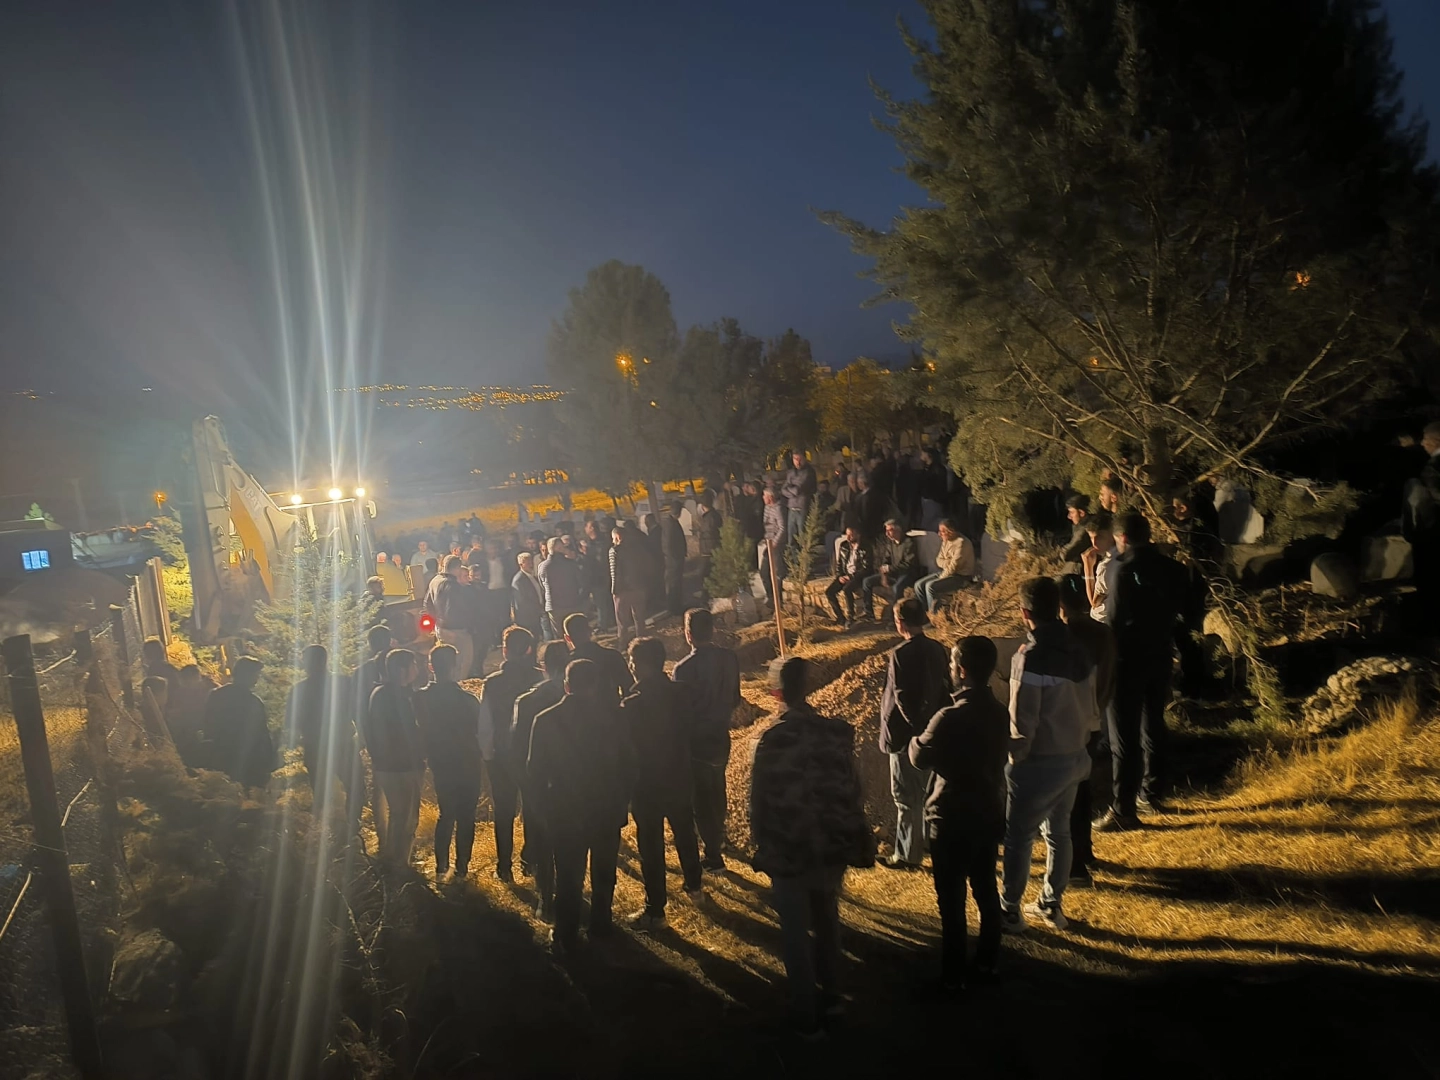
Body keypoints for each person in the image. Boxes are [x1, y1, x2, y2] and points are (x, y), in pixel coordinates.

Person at [750, 657, 872, 1039]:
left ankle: (805, 1016)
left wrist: (761, 843)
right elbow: (854, 789)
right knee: (827, 920)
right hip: (832, 843)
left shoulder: (772, 739)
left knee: (795, 932)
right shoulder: (837, 733)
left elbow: (759, 801)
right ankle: (833, 999)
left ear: (776, 693)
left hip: (789, 846)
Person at [909, 636, 1010, 990]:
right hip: (987, 811)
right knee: (986, 890)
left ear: (962, 670)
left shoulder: (947, 717)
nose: (950, 670)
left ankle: (953, 975)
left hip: (950, 817)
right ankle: (987, 963)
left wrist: (917, 735)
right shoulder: (1000, 712)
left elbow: (918, 757)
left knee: (951, 902)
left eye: (952, 665)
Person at [1001, 577, 1097, 932]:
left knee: (1019, 837)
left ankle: (1010, 910)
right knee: (1060, 833)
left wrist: (1015, 758)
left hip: (1040, 760)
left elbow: (1022, 719)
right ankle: (1051, 904)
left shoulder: (1029, 657)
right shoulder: (1079, 649)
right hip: (1075, 754)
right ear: (1057, 607)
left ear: (1025, 612)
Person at [527, 659, 635, 956]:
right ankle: (601, 925)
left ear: (566, 685)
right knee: (604, 870)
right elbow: (629, 764)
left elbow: (534, 772)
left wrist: (542, 811)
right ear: (596, 685)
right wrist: (622, 800)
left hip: (565, 809)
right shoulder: (615, 718)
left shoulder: (546, 719)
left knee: (568, 875)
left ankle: (566, 933)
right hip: (606, 807)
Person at [1096, 512, 1187, 831]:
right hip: (1160, 654)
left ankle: (1123, 809)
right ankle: (1152, 792)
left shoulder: (1121, 569)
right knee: (1153, 724)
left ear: (1122, 538)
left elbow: (1114, 621)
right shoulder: (1174, 569)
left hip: (1126, 660)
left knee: (1123, 737)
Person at [622, 637, 704, 929]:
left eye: (633, 661)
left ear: (642, 665)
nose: (631, 667)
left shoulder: (631, 705)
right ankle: (695, 885)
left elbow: (626, 748)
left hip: (647, 783)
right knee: (685, 832)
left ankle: (655, 909)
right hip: (680, 774)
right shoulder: (682, 693)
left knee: (651, 845)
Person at [878, 597, 951, 869]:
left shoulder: (900, 654)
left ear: (900, 622)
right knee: (927, 793)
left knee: (906, 797)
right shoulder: (937, 649)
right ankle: (928, 842)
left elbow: (902, 697)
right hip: (931, 734)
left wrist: (916, 730)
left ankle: (907, 854)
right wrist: (931, 729)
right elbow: (945, 689)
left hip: (904, 737)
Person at [672, 608, 742, 872]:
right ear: (712, 630)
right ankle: (719, 838)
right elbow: (735, 698)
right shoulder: (729, 658)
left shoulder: (683, 669)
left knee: (701, 800)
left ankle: (713, 855)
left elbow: (679, 711)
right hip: (721, 733)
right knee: (717, 789)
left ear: (688, 634)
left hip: (696, 740)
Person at [1058, 575, 1115, 885]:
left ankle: (1075, 862)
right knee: (1083, 784)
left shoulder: (1064, 636)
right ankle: (1085, 850)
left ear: (1060, 605)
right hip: (1095, 718)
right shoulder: (1103, 633)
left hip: (1069, 723)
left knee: (1069, 793)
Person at [479, 626, 544, 883]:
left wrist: (487, 754)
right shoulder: (539, 679)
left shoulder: (492, 683)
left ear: (505, 651)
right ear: (529, 649)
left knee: (504, 810)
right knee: (533, 808)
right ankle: (531, 860)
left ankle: (504, 865)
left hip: (502, 754)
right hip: (531, 753)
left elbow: (485, 724)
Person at [416, 644, 485, 880]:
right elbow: (480, 731)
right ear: (455, 666)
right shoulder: (468, 700)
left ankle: (440, 867)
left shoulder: (421, 698)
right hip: (468, 761)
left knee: (446, 814)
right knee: (467, 816)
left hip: (441, 762)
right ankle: (462, 868)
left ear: (431, 667)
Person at [512, 640, 569, 919]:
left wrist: (525, 781)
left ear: (543, 666)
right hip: (573, 781)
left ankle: (545, 899)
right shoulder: (582, 698)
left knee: (541, 839)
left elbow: (517, 747)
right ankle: (570, 895)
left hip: (539, 780)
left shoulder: (527, 701)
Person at [285, 644, 363, 833]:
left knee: (321, 794)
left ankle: (324, 832)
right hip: (342, 744)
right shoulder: (343, 683)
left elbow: (291, 723)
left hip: (316, 747)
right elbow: (357, 711)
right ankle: (352, 828)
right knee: (356, 788)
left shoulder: (299, 690)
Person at [361, 649, 426, 867]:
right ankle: (400, 864)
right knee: (406, 818)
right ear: (402, 670)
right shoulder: (401, 697)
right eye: (413, 664)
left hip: (385, 765)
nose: (417, 669)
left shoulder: (378, 693)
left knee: (397, 814)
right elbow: (410, 732)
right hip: (403, 766)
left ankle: (392, 858)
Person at [203, 656, 277, 791]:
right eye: (256, 675)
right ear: (248, 676)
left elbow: (207, 723)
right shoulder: (253, 702)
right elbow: (262, 735)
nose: (257, 679)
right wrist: (269, 761)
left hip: (220, 755)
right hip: (248, 760)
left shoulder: (216, 695)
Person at [425, 555, 474, 680]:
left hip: (441, 628)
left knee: (446, 662)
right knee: (462, 663)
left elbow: (427, 603)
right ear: (457, 568)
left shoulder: (435, 580)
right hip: (455, 630)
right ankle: (457, 686)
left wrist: (437, 622)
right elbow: (453, 609)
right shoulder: (452, 585)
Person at [913, 518, 975, 614]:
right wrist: (948, 562)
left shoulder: (962, 543)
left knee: (930, 586)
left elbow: (954, 567)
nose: (939, 534)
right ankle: (925, 613)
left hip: (960, 576)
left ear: (950, 531)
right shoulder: (946, 541)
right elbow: (938, 560)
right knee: (918, 585)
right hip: (946, 572)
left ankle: (936, 615)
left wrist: (942, 576)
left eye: (942, 531)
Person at [564, 612, 630, 702]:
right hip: (612, 707)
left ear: (567, 638)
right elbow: (628, 687)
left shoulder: (567, 663)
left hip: (583, 710)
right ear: (590, 631)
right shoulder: (613, 655)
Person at [863, 519, 921, 619]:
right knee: (867, 581)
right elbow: (886, 560)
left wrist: (890, 568)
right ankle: (869, 613)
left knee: (897, 588)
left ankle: (897, 617)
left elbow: (909, 564)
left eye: (889, 530)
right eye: (886, 530)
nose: (887, 533)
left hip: (907, 573)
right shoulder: (890, 543)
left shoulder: (909, 542)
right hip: (893, 573)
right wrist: (884, 573)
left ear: (898, 530)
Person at [610, 524, 648, 647]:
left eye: (613, 538)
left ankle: (623, 644)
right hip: (639, 587)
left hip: (623, 590)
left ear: (617, 536)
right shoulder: (638, 548)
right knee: (639, 618)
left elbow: (615, 572)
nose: (612, 541)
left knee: (622, 621)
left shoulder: (615, 550)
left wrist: (614, 590)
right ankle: (642, 642)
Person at [825, 525, 872, 626]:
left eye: (851, 535)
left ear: (858, 535)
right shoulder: (844, 546)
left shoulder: (866, 547)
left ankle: (851, 616)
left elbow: (866, 567)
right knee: (829, 592)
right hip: (845, 575)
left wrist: (851, 576)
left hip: (858, 576)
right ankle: (840, 618)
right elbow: (839, 564)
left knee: (847, 589)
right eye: (847, 535)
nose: (848, 537)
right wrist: (839, 576)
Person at [538, 536, 583, 641]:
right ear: (558, 548)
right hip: (572, 602)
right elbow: (581, 582)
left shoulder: (543, 566)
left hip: (553, 605)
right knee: (575, 633)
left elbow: (542, 585)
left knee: (559, 635)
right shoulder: (570, 564)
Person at [1082, 513, 1119, 622]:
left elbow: (1094, 603)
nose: (1094, 543)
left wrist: (1088, 568)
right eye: (1091, 538)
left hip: (1104, 621)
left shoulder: (1106, 566)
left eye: (1099, 537)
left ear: (1111, 536)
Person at [781, 450, 817, 550]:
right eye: (795, 459)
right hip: (791, 508)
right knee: (791, 539)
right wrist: (791, 491)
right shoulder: (791, 472)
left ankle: (804, 558)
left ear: (805, 458)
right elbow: (783, 490)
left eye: (799, 459)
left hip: (803, 508)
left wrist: (790, 488)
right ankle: (793, 558)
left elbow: (798, 489)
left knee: (803, 538)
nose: (798, 461)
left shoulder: (809, 472)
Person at [583, 520, 615, 631]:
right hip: (601, 577)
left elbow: (599, 560)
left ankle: (603, 625)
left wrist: (586, 554)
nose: (585, 529)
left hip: (599, 577)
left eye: (586, 527)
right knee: (604, 601)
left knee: (601, 602)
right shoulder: (597, 542)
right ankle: (609, 621)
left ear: (591, 528)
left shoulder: (599, 544)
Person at [660, 503, 688, 616]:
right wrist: (675, 558)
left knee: (677, 583)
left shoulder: (672, 522)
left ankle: (677, 605)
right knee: (673, 584)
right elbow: (668, 544)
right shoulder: (670, 524)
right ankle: (673, 607)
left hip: (675, 559)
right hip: (673, 561)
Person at [760, 488, 786, 609]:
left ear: (770, 497)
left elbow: (782, 527)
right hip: (768, 542)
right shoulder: (766, 508)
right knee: (764, 571)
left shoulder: (778, 509)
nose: (763, 498)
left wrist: (775, 542)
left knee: (778, 573)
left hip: (776, 544)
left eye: (764, 496)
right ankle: (770, 596)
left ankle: (779, 600)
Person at [511, 551, 545, 641]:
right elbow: (521, 601)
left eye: (531, 561)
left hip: (536, 614)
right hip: (528, 618)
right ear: (521, 564)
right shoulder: (518, 580)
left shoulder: (532, 576)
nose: (531, 564)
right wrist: (537, 609)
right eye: (528, 562)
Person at [1060, 495, 1092, 569]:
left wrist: (1062, 551)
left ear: (1081, 513)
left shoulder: (1083, 530)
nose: (1069, 516)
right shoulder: (1085, 526)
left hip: (1078, 570)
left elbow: (1066, 553)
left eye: (1071, 512)